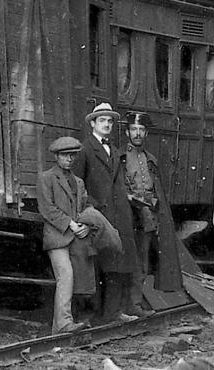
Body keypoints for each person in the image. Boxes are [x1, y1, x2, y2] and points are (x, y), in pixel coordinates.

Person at [72, 102, 138, 324]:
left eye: (110, 121)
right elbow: (77, 184)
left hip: (119, 213)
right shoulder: (85, 149)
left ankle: (113, 313)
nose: (107, 124)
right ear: (93, 123)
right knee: (97, 266)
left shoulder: (115, 150)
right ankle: (94, 316)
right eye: (102, 121)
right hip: (99, 215)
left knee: (117, 262)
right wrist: (90, 208)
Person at [119, 112, 182, 316]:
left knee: (143, 261)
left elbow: (156, 190)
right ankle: (125, 305)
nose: (137, 134)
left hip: (149, 217)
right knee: (129, 260)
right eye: (134, 129)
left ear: (146, 133)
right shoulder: (120, 157)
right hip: (128, 216)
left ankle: (135, 304)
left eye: (141, 130)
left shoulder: (150, 159)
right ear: (127, 132)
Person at [37, 136, 91, 334]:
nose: (69, 159)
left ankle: (58, 330)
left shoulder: (78, 182)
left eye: (72, 155)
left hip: (76, 236)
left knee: (75, 278)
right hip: (57, 236)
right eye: (65, 155)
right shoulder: (47, 178)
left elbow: (86, 206)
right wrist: (70, 223)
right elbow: (46, 208)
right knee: (66, 275)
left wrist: (85, 224)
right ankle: (65, 323)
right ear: (56, 157)